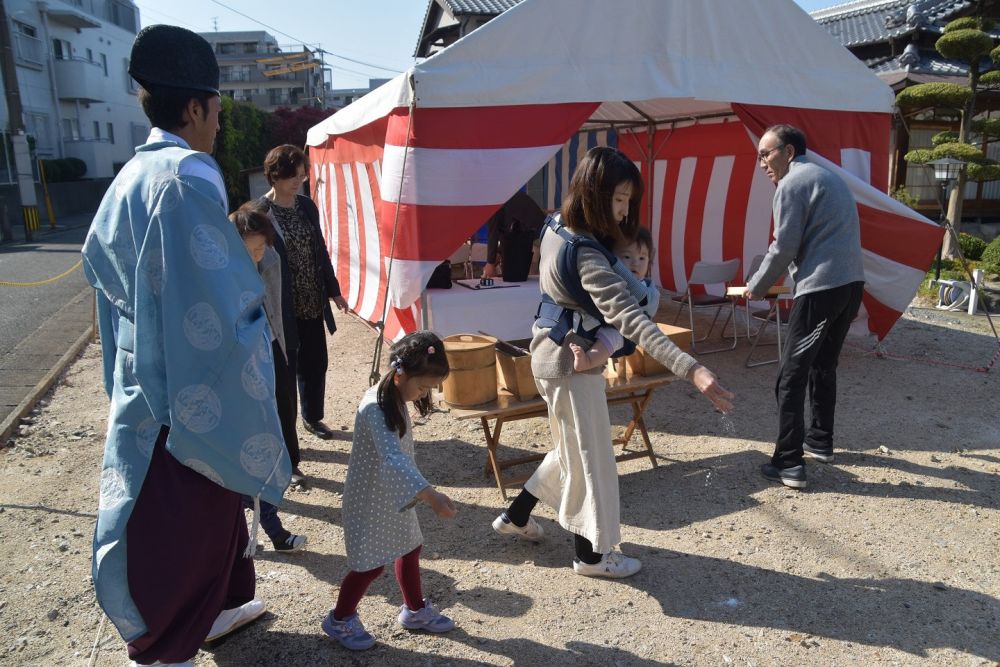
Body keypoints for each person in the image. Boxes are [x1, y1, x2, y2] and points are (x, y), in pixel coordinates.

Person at [81, 25, 290, 667]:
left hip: (143, 376)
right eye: (219, 111)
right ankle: (168, 643)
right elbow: (216, 310)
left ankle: (221, 608)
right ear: (195, 108)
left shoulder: (130, 177)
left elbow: (104, 277)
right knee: (185, 524)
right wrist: (259, 343)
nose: (221, 125)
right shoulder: (186, 178)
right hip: (185, 389)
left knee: (192, 518)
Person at [492, 146, 734, 578]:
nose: (624, 213)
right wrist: (692, 368)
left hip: (550, 352)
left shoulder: (557, 224)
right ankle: (592, 557)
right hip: (573, 363)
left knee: (573, 449)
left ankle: (518, 514)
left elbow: (620, 288)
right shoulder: (588, 254)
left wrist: (637, 287)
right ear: (592, 193)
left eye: (628, 200)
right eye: (616, 199)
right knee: (593, 459)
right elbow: (634, 321)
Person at [744, 125, 865, 490]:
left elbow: (784, 247)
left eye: (766, 154)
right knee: (823, 365)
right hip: (850, 286)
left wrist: (757, 286)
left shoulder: (792, 183)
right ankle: (820, 442)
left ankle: (789, 463)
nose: (762, 162)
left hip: (821, 290)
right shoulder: (826, 176)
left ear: (789, 151)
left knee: (790, 376)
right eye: (759, 156)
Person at [322, 331, 458, 651]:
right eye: (423, 386)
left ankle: (414, 610)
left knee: (410, 548)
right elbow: (393, 460)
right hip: (370, 500)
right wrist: (431, 495)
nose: (424, 393)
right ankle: (339, 618)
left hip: (393, 495)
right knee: (370, 564)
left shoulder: (395, 396)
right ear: (400, 373)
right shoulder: (377, 406)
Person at [258, 144, 350, 443]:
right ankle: (286, 432)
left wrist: (333, 289)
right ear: (274, 176)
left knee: (316, 363)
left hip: (312, 299)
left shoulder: (306, 206)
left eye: (302, 175)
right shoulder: (261, 212)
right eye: (292, 176)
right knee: (286, 371)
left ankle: (313, 417)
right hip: (281, 306)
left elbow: (320, 249)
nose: (299, 181)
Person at [230, 202, 308, 552]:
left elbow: (277, 311)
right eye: (252, 250)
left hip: (269, 352)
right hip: (236, 366)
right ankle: (266, 531)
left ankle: (266, 527)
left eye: (262, 247)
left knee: (269, 432)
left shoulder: (272, 260)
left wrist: (283, 351)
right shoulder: (222, 272)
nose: (259, 256)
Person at [570, 225, 659, 371]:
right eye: (627, 256)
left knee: (611, 337)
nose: (635, 263)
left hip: (625, 329)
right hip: (599, 322)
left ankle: (588, 360)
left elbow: (649, 307)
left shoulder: (647, 287)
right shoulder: (606, 280)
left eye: (642, 257)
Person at [482, 189, 546, 281]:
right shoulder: (505, 194)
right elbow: (511, 232)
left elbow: (494, 233)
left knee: (527, 280)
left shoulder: (493, 201)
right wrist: (498, 253)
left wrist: (490, 263)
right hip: (539, 234)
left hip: (533, 238)